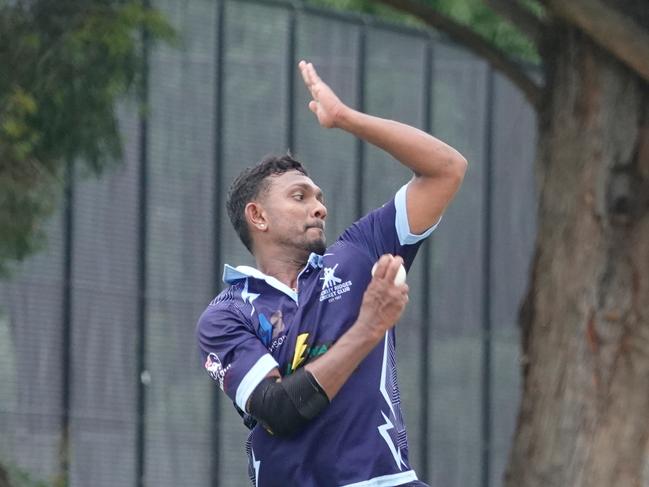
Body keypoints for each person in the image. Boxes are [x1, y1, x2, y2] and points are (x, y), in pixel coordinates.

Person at [196, 60, 467, 487]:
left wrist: (345, 118)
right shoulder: (226, 315)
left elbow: (446, 169)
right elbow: (278, 410)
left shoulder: (360, 253)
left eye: (319, 197)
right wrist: (370, 326)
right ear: (258, 217)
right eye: (299, 196)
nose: (319, 207)